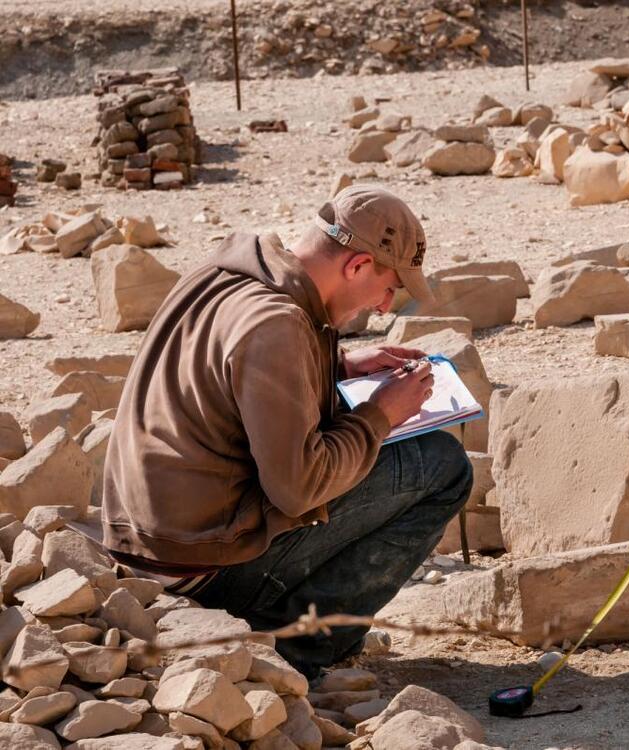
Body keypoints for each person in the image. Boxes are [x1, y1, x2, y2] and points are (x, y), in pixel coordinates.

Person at [101, 186, 473, 675]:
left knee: (388, 446)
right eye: (388, 288)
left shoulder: (225, 274)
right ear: (357, 265)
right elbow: (298, 489)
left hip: (144, 542)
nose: (384, 307)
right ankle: (295, 645)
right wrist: (380, 416)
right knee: (442, 467)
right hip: (197, 566)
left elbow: (227, 375)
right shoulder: (277, 325)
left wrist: (336, 366)